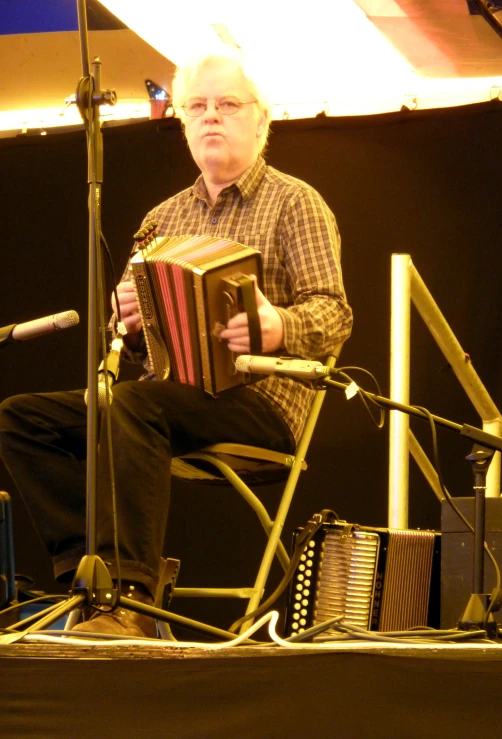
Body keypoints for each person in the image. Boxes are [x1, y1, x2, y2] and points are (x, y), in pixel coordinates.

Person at [0, 48, 353, 638]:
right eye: (197, 106)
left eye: (228, 105)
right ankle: (94, 576)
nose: (211, 116)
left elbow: (335, 313)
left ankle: (129, 600)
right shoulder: (162, 217)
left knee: (134, 404)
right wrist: (132, 325)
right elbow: (144, 358)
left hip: (263, 403)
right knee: (20, 418)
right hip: (168, 400)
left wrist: (278, 327)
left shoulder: (296, 202)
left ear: (261, 120)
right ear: (183, 124)